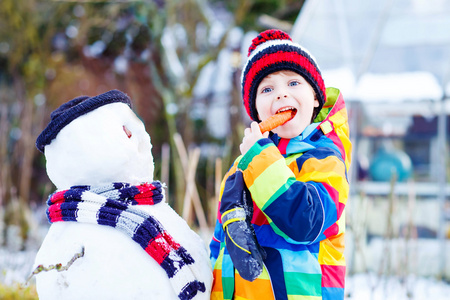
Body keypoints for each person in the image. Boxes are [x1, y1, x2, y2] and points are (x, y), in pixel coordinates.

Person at [209, 29, 352, 300]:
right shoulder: (243, 166)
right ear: (255, 110)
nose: (281, 95)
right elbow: (221, 241)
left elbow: (306, 222)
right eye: (267, 89)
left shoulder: (324, 159)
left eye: (294, 83)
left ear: (315, 99)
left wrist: (260, 159)